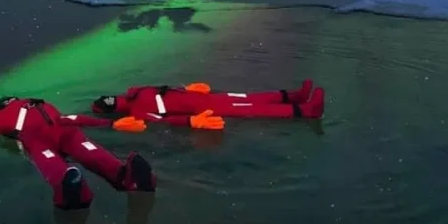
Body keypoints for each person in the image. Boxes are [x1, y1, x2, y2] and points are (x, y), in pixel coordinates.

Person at [0, 96, 155, 211]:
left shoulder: (1, 115)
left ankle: (71, 188)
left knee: (53, 165)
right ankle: (125, 176)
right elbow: (72, 118)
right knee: (92, 152)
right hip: (66, 131)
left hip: (38, 140)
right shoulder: (39, 104)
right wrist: (110, 124)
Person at [90, 79, 325, 130]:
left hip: (203, 99)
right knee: (253, 108)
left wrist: (187, 89)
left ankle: (294, 96)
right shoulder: (138, 111)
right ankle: (306, 110)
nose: (114, 99)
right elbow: (165, 119)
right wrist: (192, 121)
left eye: (109, 98)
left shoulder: (136, 91)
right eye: (110, 102)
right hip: (202, 109)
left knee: (248, 97)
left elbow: (166, 90)